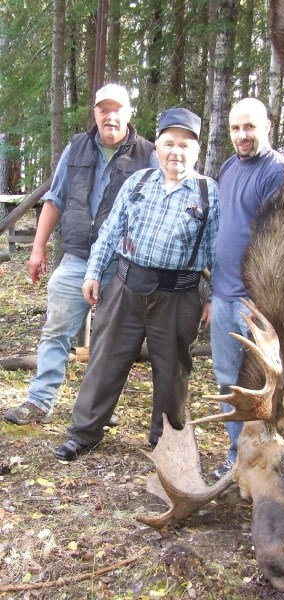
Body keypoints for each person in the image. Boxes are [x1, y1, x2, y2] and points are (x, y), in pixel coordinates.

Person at [54, 107, 219, 461]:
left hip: (178, 296)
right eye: (169, 143)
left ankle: (166, 442)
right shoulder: (138, 182)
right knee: (104, 362)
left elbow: (216, 251)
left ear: (196, 151)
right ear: (157, 146)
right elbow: (111, 231)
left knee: (173, 373)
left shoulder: (209, 193)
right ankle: (84, 433)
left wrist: (214, 296)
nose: (176, 152)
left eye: (184, 146)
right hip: (125, 288)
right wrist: (94, 272)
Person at [3, 83, 157, 426]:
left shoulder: (149, 155)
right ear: (95, 114)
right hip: (76, 258)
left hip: (122, 264)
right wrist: (38, 248)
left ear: (129, 113)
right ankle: (39, 402)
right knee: (56, 329)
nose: (110, 115)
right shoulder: (76, 149)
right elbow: (55, 200)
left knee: (112, 339)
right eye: (104, 109)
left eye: (117, 109)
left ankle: (94, 409)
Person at [211, 98, 284, 478]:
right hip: (223, 294)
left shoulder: (278, 172)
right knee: (228, 378)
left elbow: (279, 239)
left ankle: (272, 462)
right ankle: (236, 455)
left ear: (267, 126)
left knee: (266, 385)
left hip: (257, 299)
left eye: (250, 127)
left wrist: (265, 298)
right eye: (236, 128)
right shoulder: (228, 168)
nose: (242, 135)